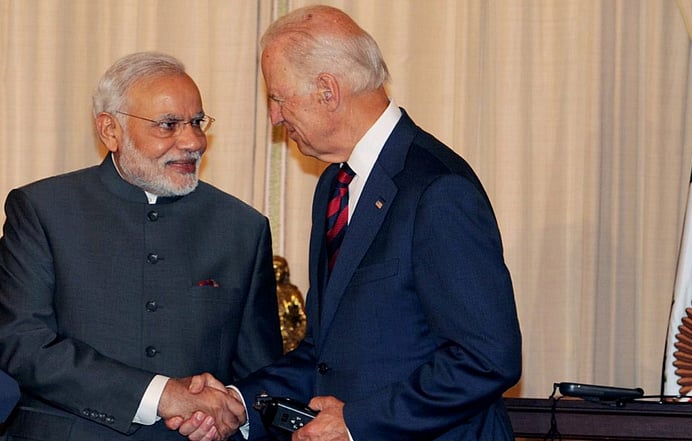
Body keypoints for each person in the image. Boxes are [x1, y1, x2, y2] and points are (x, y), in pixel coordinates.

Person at [171, 5, 522, 441]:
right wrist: (237, 403)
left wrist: (359, 422)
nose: (275, 118)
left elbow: (487, 357)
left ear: (327, 90)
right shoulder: (335, 185)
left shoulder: (436, 189)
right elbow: (324, 353)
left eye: (278, 98)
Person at [0, 51, 282, 441]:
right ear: (110, 130)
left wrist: (232, 412)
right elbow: (23, 345)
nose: (193, 141)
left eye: (197, 122)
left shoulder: (242, 227)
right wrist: (162, 396)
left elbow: (260, 372)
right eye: (168, 125)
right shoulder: (43, 210)